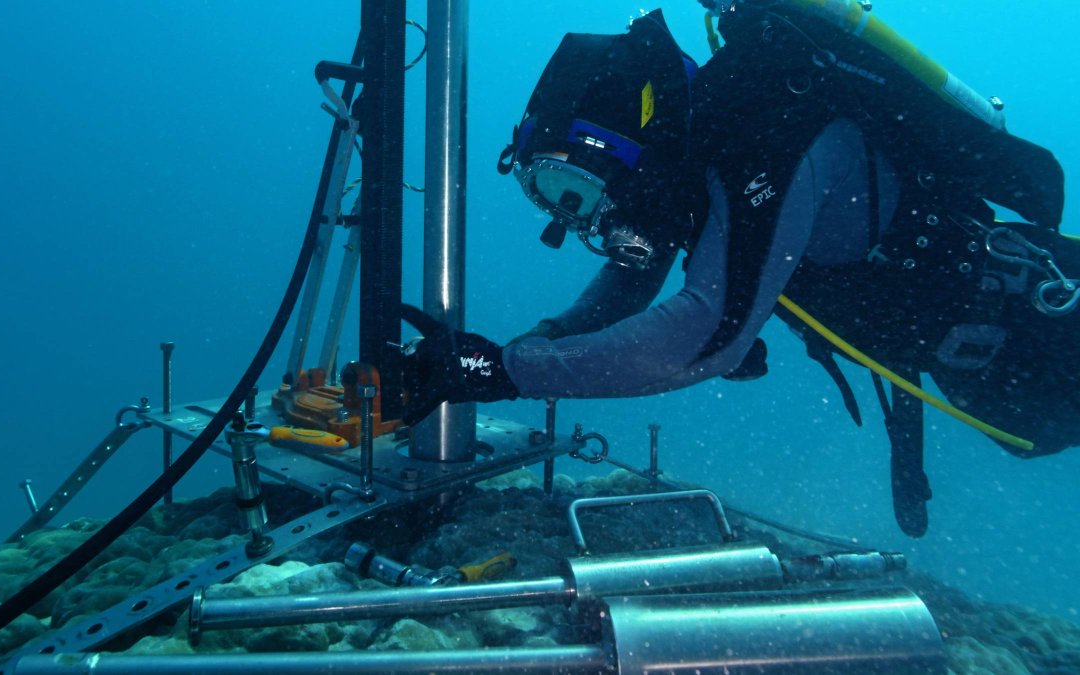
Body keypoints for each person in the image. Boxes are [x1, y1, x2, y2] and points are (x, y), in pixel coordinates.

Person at [400, 3, 1080, 536]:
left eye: (569, 190)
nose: (580, 222)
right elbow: (634, 276)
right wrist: (515, 350)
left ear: (625, 141)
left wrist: (504, 371)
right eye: (549, 197)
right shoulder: (695, 156)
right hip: (989, 364)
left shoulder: (767, 128)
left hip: (1040, 325)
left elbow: (703, 337)